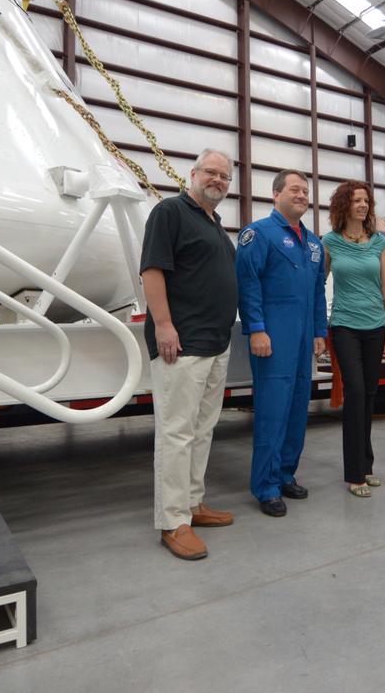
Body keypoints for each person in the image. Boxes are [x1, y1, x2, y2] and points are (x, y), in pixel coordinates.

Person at [140, 150, 238, 561]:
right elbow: (152, 270)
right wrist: (164, 324)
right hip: (181, 343)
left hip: (216, 343)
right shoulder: (170, 213)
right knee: (176, 433)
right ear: (193, 174)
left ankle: (194, 504)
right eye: (211, 172)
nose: (218, 180)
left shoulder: (215, 225)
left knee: (202, 430)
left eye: (225, 176)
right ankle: (172, 520)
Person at [236, 170, 328, 516]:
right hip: (273, 339)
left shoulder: (315, 243)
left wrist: (321, 331)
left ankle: (286, 473)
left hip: (304, 340)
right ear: (276, 195)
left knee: (296, 410)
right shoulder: (257, 235)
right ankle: (266, 486)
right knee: (273, 413)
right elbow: (248, 286)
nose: (302, 195)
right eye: (295, 189)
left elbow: (318, 291)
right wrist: (256, 329)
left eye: (306, 191)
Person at [321, 181, 385, 498]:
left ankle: (366, 465)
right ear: (344, 206)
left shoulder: (379, 242)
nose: (363, 205)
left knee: (368, 395)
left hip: (376, 326)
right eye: (356, 200)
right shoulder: (330, 242)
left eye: (366, 200)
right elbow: (317, 283)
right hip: (344, 326)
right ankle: (354, 473)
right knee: (354, 391)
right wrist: (315, 325)